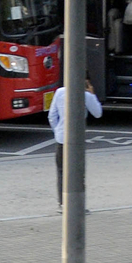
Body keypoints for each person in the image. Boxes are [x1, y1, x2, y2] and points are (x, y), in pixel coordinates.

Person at [48, 80, 102, 209]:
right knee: (78, 172)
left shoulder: (60, 92)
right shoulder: (86, 96)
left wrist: (58, 131)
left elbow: (52, 116)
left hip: (61, 139)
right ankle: (78, 204)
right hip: (77, 140)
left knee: (61, 172)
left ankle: (63, 203)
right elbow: (98, 113)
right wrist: (92, 94)